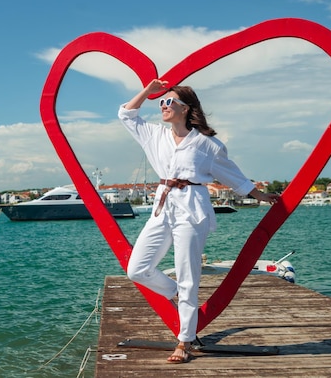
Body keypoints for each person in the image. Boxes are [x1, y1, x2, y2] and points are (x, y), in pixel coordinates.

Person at [118, 79, 279, 364]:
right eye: (162, 102)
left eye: (171, 102)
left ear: (186, 108)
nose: (164, 106)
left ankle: (184, 341)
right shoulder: (155, 135)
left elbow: (233, 176)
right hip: (163, 205)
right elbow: (126, 114)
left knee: (189, 276)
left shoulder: (208, 145)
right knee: (137, 269)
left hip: (192, 209)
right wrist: (150, 89)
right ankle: (177, 294)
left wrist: (259, 194)